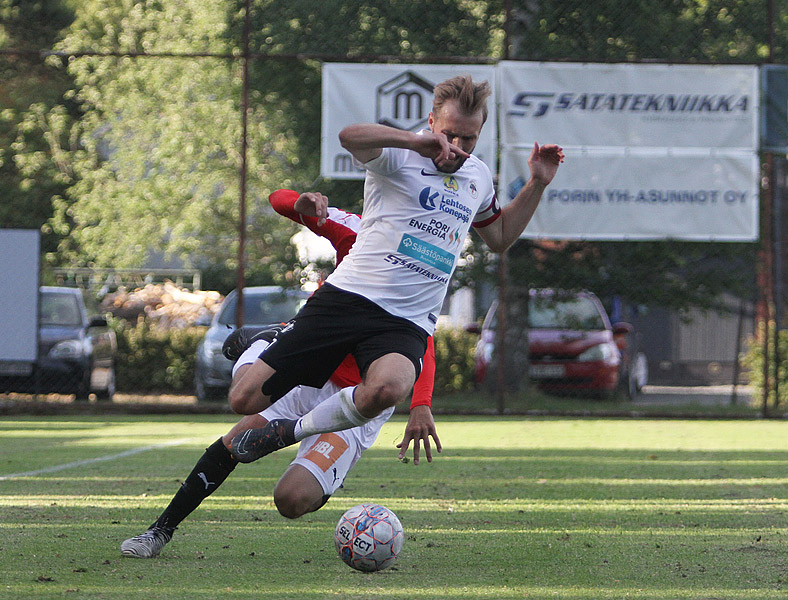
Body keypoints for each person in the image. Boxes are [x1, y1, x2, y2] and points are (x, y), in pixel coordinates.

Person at [225, 74, 563, 462]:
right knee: (242, 400)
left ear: (480, 132)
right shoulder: (401, 154)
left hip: (404, 320)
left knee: (386, 390)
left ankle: (290, 431)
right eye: (449, 134)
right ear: (432, 121)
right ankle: (264, 343)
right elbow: (349, 137)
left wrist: (537, 183)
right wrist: (410, 140)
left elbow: (500, 236)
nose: (456, 147)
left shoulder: (478, 176)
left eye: (468, 139)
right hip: (352, 298)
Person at [120, 198, 440, 559]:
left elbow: (422, 339)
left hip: (358, 398)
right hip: (311, 366)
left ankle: (294, 428)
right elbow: (279, 200)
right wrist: (304, 202)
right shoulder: (357, 229)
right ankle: (160, 530)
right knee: (238, 422)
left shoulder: (427, 258)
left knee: (291, 501)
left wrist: (421, 404)